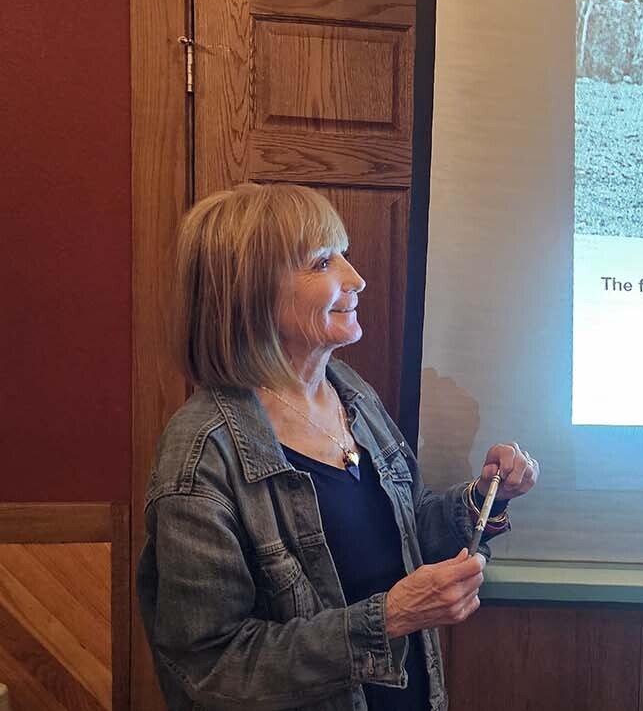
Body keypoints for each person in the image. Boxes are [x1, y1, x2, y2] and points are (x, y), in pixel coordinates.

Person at [137, 183, 539, 710]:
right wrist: (389, 617)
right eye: (323, 262)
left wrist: (482, 498)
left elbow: (407, 531)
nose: (356, 278)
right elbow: (212, 670)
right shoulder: (200, 456)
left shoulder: (352, 393)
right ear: (251, 293)